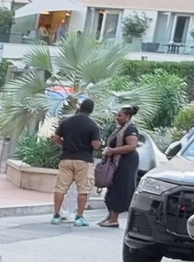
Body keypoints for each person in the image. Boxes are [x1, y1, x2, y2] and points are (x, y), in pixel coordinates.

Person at [50, 96, 100, 226]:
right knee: (83, 189)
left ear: (80, 107)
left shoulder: (67, 122)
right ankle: (79, 217)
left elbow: (55, 137)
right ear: (91, 110)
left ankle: (56, 215)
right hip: (84, 160)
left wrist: (64, 145)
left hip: (66, 158)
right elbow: (95, 144)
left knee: (60, 188)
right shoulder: (92, 125)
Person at [98, 104, 144, 228]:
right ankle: (110, 215)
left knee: (120, 188)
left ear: (128, 116)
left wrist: (113, 151)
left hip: (125, 162)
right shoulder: (120, 128)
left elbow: (131, 146)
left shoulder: (130, 129)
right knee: (112, 188)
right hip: (116, 162)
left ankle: (114, 219)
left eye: (120, 115)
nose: (117, 117)